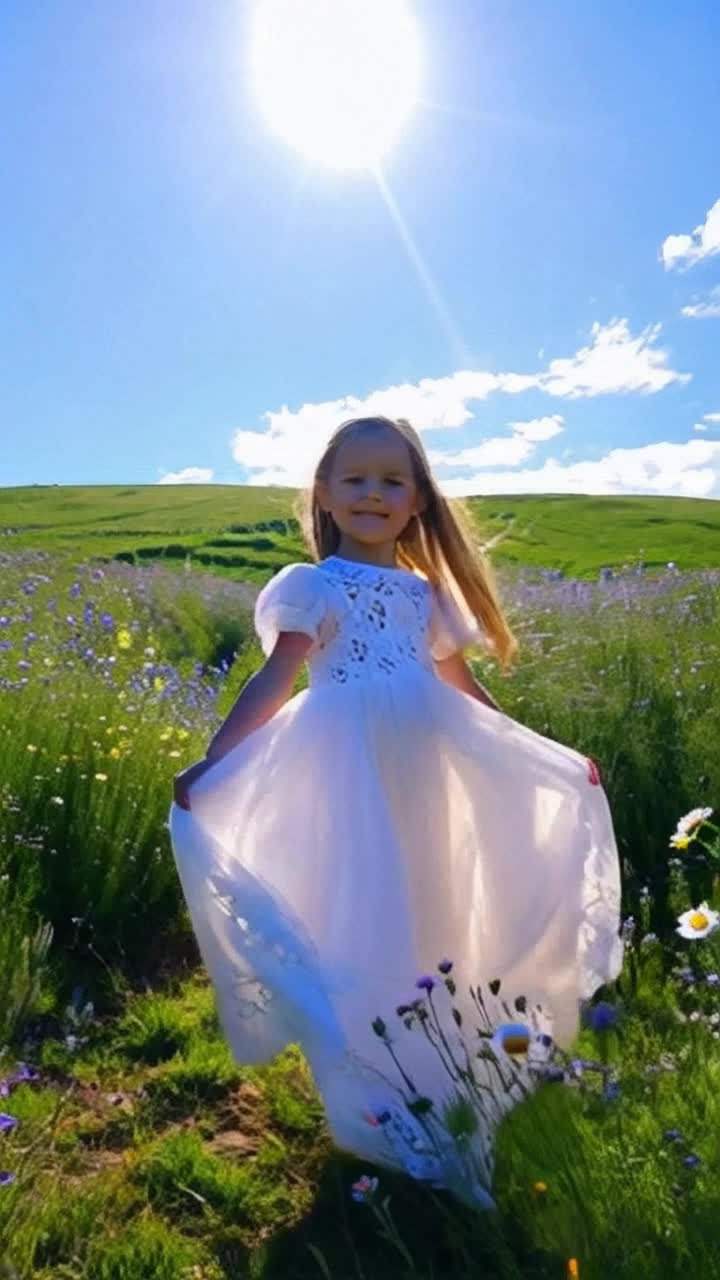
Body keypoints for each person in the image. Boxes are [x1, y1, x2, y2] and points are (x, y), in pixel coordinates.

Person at [169, 415, 622, 1205]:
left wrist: (542, 753)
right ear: (325, 494)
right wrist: (218, 755)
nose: (373, 493)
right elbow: (276, 680)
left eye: (391, 481)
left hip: (427, 768)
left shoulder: (423, 596)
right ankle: (375, 1091)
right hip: (344, 768)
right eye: (356, 479)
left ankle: (441, 1063)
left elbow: (463, 692)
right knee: (367, 911)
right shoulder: (314, 587)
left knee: (435, 904)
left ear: (416, 502)